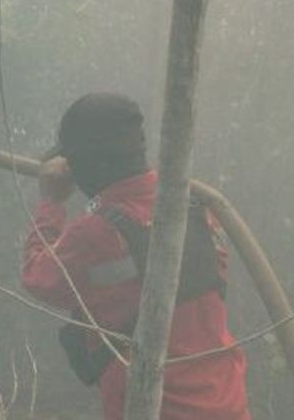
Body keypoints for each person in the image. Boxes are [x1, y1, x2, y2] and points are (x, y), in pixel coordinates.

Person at [22, 92, 250, 420]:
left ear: (86, 164)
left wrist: (51, 203)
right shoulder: (196, 208)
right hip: (229, 404)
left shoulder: (95, 234)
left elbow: (38, 277)